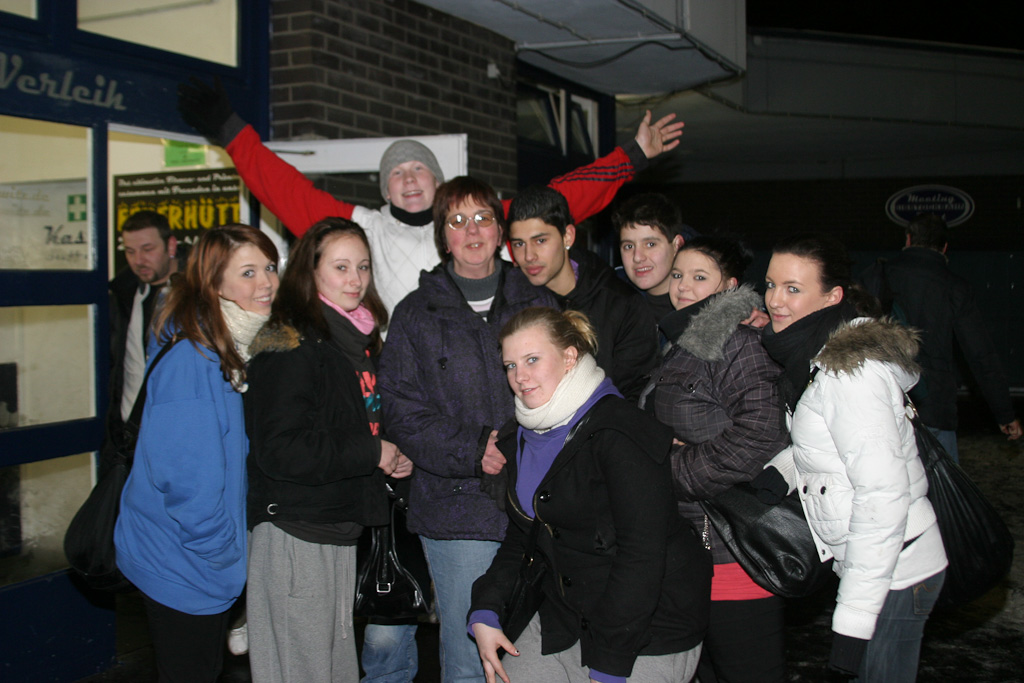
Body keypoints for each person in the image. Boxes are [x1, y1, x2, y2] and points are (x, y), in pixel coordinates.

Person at [177, 76, 685, 315]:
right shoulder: (363, 228)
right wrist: (232, 132)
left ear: (438, 181)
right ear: (385, 189)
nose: (410, 178)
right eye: (397, 173)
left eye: (420, 167)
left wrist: (632, 156)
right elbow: (289, 192)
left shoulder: (485, 222)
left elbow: (564, 198)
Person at [378, 177, 559, 683]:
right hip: (457, 510)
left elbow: (571, 385)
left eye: (482, 218)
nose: (472, 231)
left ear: (500, 230)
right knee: (470, 664)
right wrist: (473, 448)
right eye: (457, 221)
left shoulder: (539, 302)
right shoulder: (415, 313)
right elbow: (400, 408)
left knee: (539, 657)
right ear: (443, 235)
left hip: (541, 503)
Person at [469, 307, 710, 683]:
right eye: (510, 365)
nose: (520, 376)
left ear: (569, 357)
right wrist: (486, 609)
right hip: (568, 615)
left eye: (532, 360)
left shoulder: (620, 430)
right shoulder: (520, 436)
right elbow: (522, 540)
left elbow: (642, 555)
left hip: (649, 625)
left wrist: (610, 665)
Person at [759, 234, 948, 681]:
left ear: (833, 296)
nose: (775, 300)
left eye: (793, 288)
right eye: (770, 284)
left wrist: (853, 622)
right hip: (876, 563)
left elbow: (882, 496)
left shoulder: (852, 375)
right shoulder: (813, 354)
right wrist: (782, 471)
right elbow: (830, 445)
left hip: (897, 567)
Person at [243, 218, 413, 682]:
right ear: (310, 271)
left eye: (363, 266)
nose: (355, 279)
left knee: (333, 671)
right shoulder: (291, 344)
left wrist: (390, 452)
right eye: (341, 267)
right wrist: (371, 452)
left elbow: (351, 426)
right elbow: (280, 449)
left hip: (336, 525)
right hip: (296, 531)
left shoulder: (355, 342)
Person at [114, 224, 280, 682]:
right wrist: (222, 556)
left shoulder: (227, 344)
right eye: (248, 272)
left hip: (195, 559)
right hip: (183, 562)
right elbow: (187, 482)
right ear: (214, 284)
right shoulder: (194, 358)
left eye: (269, 267)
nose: (266, 282)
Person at [639, 237, 789, 683]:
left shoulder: (738, 342)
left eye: (699, 277)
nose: (683, 286)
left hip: (732, 550)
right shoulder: (680, 341)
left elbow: (760, 436)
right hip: (689, 551)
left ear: (730, 286)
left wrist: (670, 470)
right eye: (678, 275)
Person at [861, 213, 1021, 460]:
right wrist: (1005, 413)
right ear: (945, 247)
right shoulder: (955, 287)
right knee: (943, 483)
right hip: (935, 407)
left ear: (908, 239)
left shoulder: (876, 276)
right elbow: (981, 355)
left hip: (883, 401)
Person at [506, 186, 659, 400]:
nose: (528, 255)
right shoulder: (512, 304)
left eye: (540, 241)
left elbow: (636, 395)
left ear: (568, 237)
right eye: (519, 244)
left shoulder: (622, 304)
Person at [103, 210, 182, 476]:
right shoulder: (122, 294)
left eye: (148, 249)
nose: (138, 260)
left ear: (171, 246)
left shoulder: (196, 295)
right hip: (128, 433)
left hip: (173, 432)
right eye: (130, 251)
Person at [611, 192, 695, 323]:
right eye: (628, 246)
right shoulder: (610, 296)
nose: (637, 257)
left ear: (677, 245)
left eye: (650, 244)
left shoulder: (705, 303)